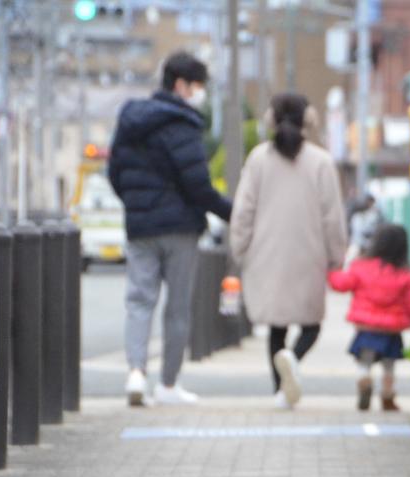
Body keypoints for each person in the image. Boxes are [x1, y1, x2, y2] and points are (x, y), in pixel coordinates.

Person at [108, 51, 232, 407]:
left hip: (140, 226)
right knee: (177, 308)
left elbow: (115, 174)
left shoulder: (130, 120)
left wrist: (135, 204)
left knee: (139, 300)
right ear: (181, 85)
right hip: (180, 229)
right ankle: (167, 385)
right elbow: (199, 187)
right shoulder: (183, 124)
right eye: (197, 86)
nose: (200, 94)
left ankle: (135, 373)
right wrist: (231, 212)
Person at [229, 93, 348, 409]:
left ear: (270, 119)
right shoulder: (321, 162)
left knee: (276, 327)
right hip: (309, 255)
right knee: (311, 323)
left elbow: (243, 209)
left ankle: (280, 391)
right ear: (309, 119)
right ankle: (293, 362)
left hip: (265, 254)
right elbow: (332, 215)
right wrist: (337, 254)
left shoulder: (258, 159)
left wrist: (239, 247)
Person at [327, 224, 410, 411]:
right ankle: (388, 395)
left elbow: (342, 284)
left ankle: (364, 379)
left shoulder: (361, 267)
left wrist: (331, 273)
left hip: (366, 328)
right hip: (391, 330)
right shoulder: (404, 274)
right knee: (389, 365)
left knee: (365, 361)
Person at [344, 193, 385, 265]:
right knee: (349, 260)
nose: (370, 204)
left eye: (371, 202)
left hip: (371, 244)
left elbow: (378, 229)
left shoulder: (375, 214)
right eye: (368, 201)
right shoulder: (356, 215)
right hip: (357, 243)